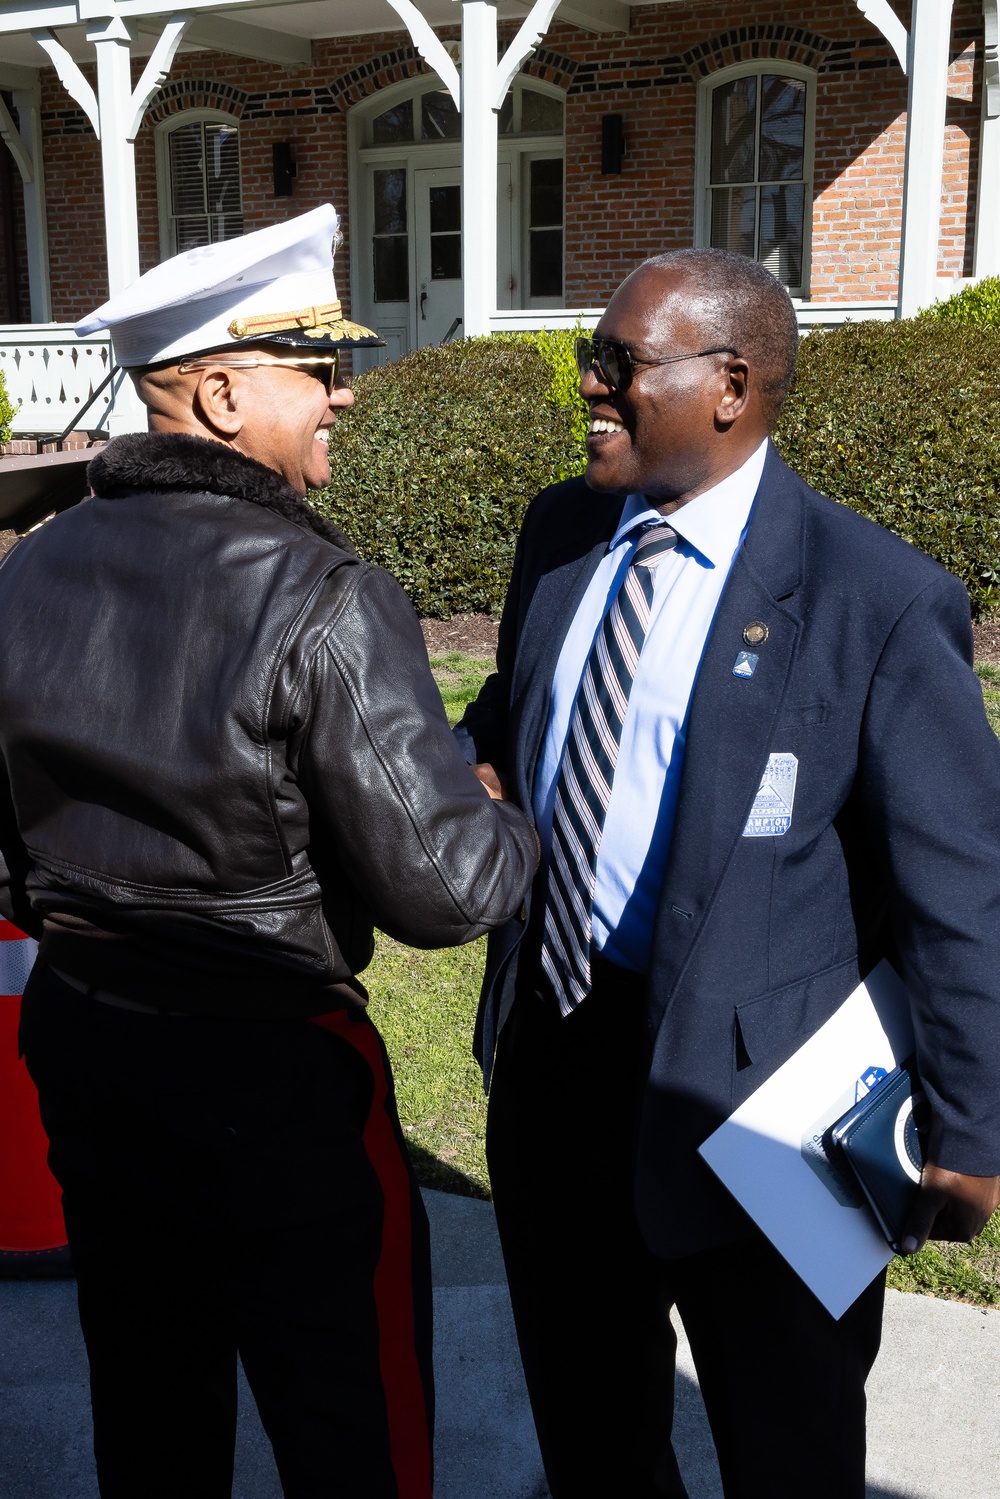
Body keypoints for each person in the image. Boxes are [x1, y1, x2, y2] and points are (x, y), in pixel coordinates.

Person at [0, 204, 538, 1499]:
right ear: (227, 393)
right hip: (274, 1073)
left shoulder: (26, 570)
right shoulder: (324, 592)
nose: (343, 395)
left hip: (87, 1036)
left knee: (151, 1402)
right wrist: (499, 798)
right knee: (354, 1428)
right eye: (318, 366)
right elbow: (447, 889)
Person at [455, 249, 1000, 1499]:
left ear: (731, 384)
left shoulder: (873, 597)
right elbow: (515, 701)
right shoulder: (562, 530)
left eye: (617, 363)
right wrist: (462, 762)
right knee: (593, 1431)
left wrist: (968, 1126)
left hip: (763, 1109)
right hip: (555, 1066)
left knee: (787, 1444)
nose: (583, 384)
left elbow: (960, 886)